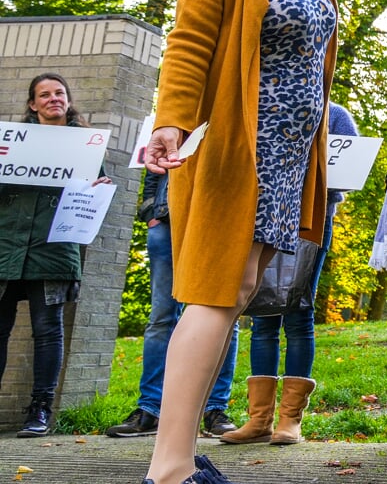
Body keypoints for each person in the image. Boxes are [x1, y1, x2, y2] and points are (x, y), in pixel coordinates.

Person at [141, 0, 387, 484]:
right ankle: (169, 465)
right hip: (235, 147)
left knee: (237, 286)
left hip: (284, 155)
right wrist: (172, 120)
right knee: (216, 291)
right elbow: (189, 39)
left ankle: (177, 456)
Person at [221, 102, 356, 446]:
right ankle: (259, 419)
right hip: (265, 213)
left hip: (314, 217)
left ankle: (290, 421)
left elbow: (348, 173)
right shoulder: (267, 107)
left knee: (298, 311)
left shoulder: (336, 116)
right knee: (263, 312)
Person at [0, 73, 112, 437]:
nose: (53, 99)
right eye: (44, 95)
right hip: (6, 247)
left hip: (54, 250)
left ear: (68, 99)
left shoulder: (86, 146)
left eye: (59, 93)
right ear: (33, 104)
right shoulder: (13, 143)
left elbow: (96, 193)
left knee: (48, 332)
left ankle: (40, 410)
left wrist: (100, 189)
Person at [105, 171, 239, 439]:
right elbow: (155, 168)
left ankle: (214, 410)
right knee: (161, 316)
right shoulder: (171, 126)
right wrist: (151, 213)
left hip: (220, 215)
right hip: (167, 219)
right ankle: (150, 409)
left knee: (221, 313)